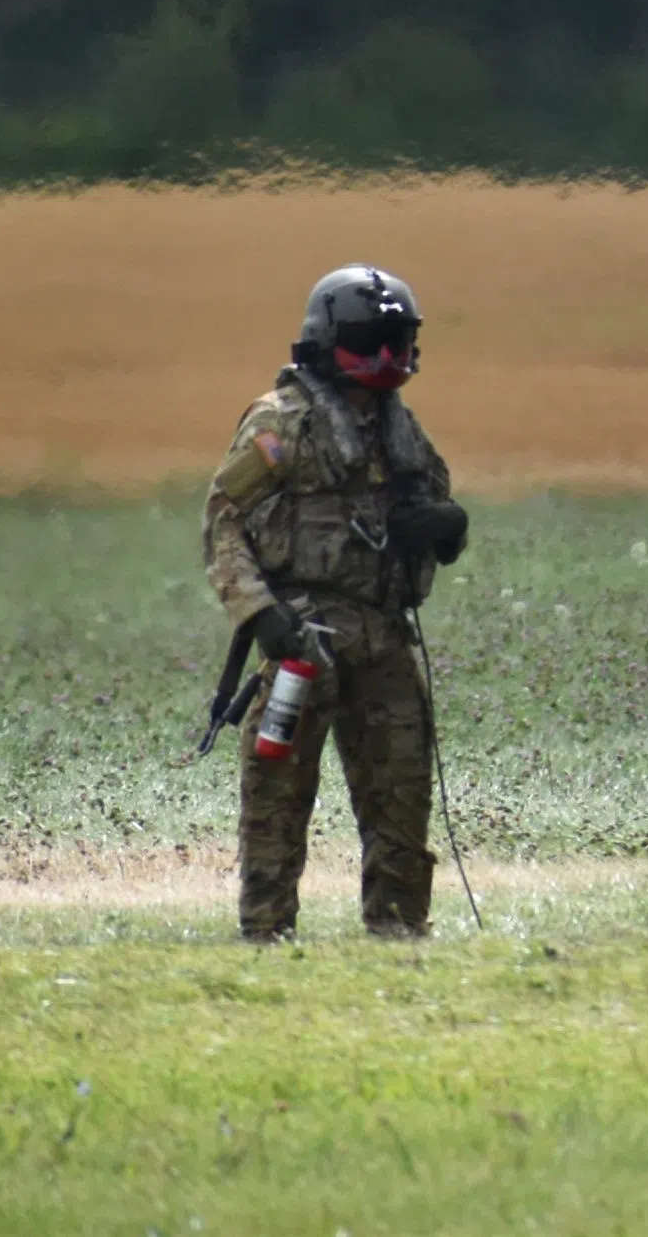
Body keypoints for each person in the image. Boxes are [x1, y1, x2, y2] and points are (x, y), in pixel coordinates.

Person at [202, 264, 470, 941]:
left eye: (396, 338)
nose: (385, 355)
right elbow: (224, 518)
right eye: (368, 338)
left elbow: (437, 498)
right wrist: (260, 613)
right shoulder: (279, 424)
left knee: (402, 797)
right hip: (304, 643)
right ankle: (266, 933)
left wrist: (445, 526)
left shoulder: (400, 431)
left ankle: (400, 932)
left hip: (385, 637)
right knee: (277, 799)